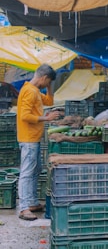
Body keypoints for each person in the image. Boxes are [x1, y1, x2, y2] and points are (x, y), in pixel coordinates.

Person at [16, 64, 62, 221]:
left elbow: (49, 101)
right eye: (48, 81)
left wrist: (49, 87)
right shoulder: (29, 91)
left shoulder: (34, 90)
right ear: (43, 77)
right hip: (28, 139)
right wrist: (46, 118)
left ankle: (32, 202)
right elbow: (24, 116)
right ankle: (24, 208)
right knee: (27, 172)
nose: (47, 84)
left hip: (33, 138)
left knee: (36, 170)